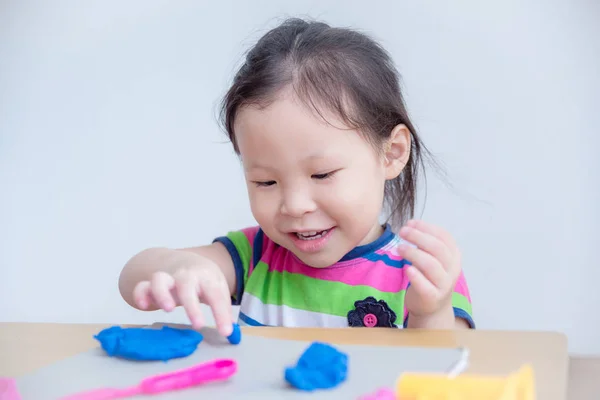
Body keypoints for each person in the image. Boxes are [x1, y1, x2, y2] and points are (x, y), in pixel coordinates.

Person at [118, 17, 475, 337]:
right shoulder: (256, 256)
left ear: (392, 153)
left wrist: (431, 312)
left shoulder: (423, 274)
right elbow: (134, 280)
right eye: (266, 182)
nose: (295, 205)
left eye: (321, 174)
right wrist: (180, 267)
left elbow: (446, 372)